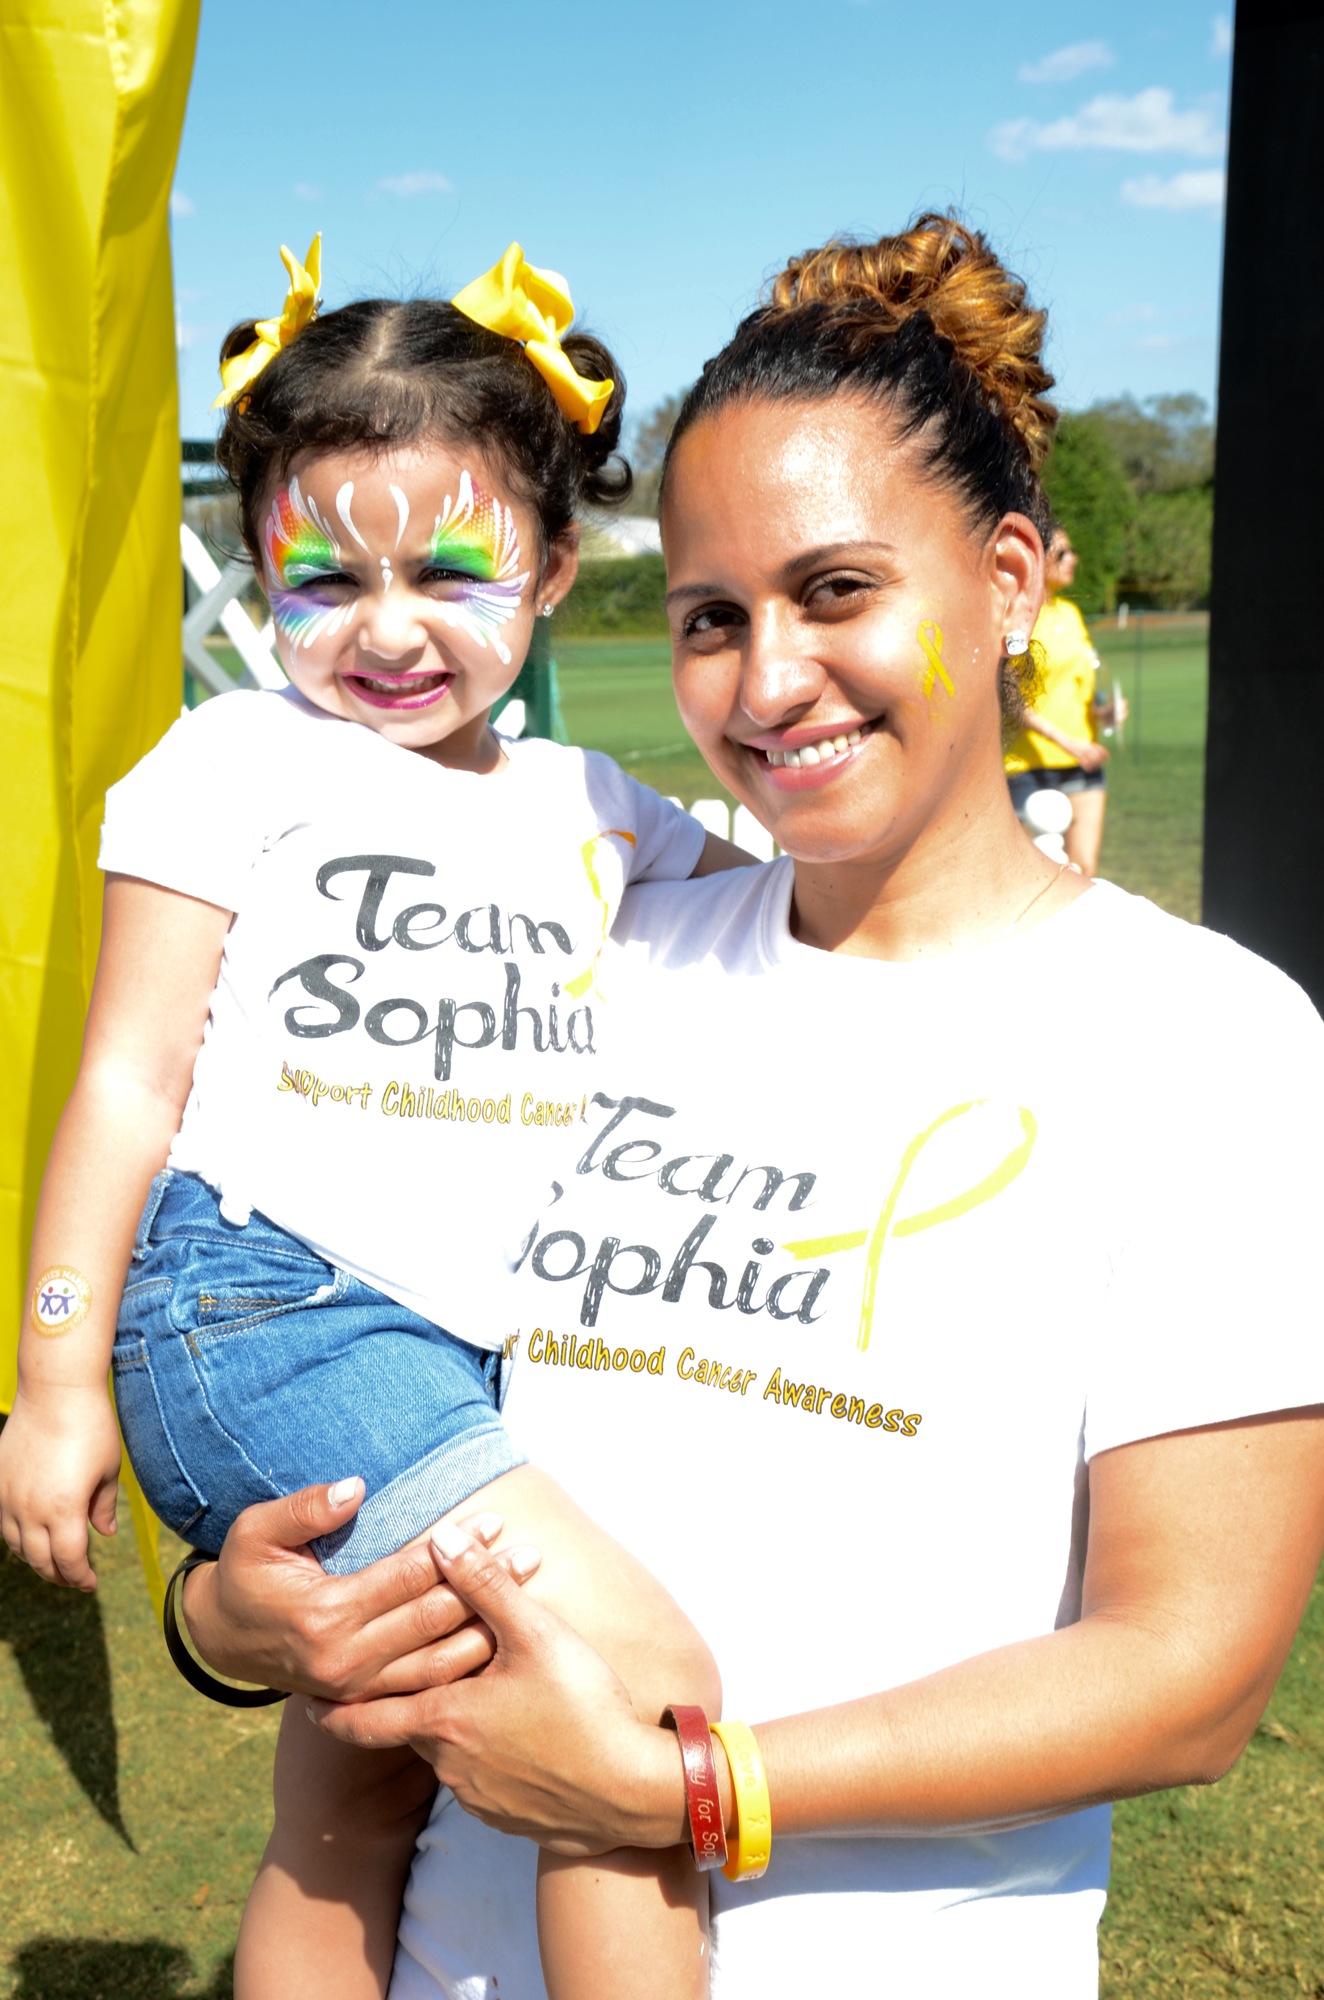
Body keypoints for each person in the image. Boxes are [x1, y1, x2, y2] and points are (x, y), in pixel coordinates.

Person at [99, 216, 1324, 1997]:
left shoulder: (1199, 1038)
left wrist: (686, 1786)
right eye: (707, 617)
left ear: (1006, 581)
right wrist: (232, 1622)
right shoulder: (610, 944)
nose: (764, 684)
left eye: (834, 592)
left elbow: (1186, 1673)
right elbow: (374, 1369)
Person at [0, 237, 768, 2000]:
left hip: (467, 1352)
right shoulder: (231, 763)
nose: (388, 626)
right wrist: (54, 1381)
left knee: (352, 1802)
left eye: (447, 568)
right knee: (633, 1700)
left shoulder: (599, 808)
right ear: (254, 569)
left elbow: (799, 915)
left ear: (559, 564)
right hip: (268, 1314)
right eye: (319, 581)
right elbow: (125, 1077)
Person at [1004, 525, 1120, 875]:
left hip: (1083, 763)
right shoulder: (1015, 618)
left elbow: (1082, 687)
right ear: (1035, 560)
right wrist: (1067, 742)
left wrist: (1107, 713)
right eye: (1062, 554)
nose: (1073, 560)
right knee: (1034, 880)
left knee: (1083, 874)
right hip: (1028, 767)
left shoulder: (1071, 614)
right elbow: (1009, 698)